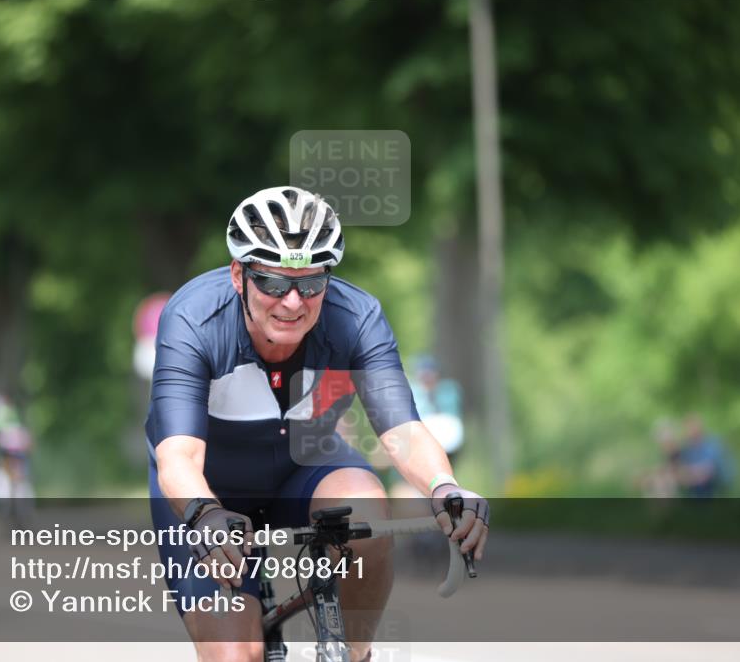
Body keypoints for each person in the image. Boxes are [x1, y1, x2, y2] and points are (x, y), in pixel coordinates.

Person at [145, 186, 489, 662]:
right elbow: (178, 456)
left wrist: (444, 486)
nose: (292, 302)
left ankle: (354, 653)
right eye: (272, 283)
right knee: (232, 654)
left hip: (305, 466)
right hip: (209, 490)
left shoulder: (356, 318)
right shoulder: (193, 320)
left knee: (367, 507)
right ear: (238, 275)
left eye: (310, 284)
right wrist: (204, 514)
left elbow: (403, 431)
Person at [673, 414, 733, 497]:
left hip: (717, 482)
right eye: (687, 428)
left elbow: (707, 471)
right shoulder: (688, 448)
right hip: (697, 482)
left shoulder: (712, 442)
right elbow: (681, 469)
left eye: (692, 427)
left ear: (699, 428)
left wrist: (687, 475)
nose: (689, 431)